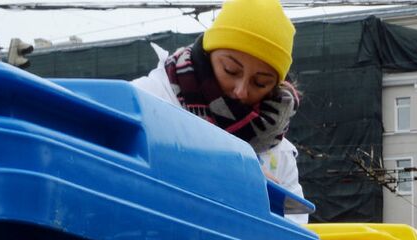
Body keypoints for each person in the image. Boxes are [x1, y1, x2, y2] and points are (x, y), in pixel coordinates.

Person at [131, 0, 308, 223]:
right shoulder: (148, 99)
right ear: (208, 54)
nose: (241, 91)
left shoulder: (278, 152)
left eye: (260, 83)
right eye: (230, 70)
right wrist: (223, 171)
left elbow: (293, 231)